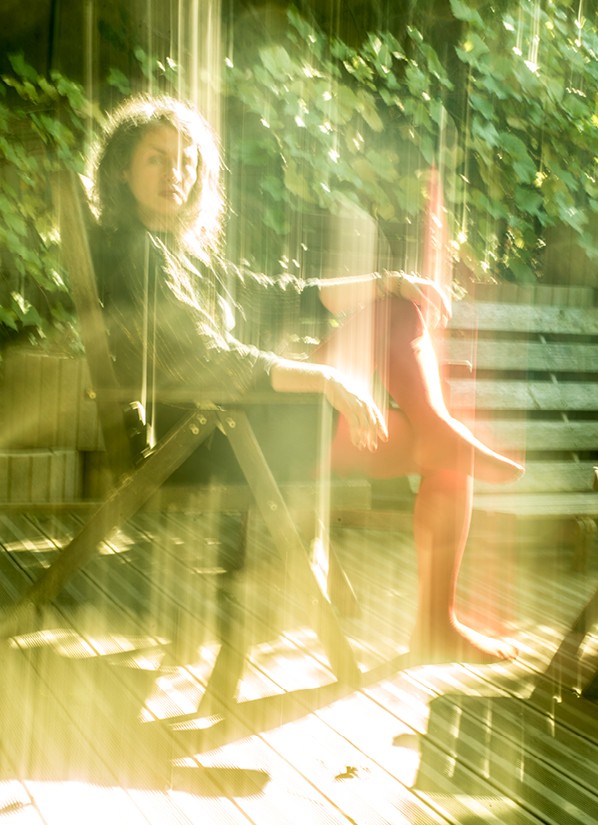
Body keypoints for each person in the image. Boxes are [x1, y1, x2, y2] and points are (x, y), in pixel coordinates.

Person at [90, 93, 523, 666]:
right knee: (434, 424)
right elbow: (208, 358)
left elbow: (285, 296)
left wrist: (388, 280)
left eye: (187, 160)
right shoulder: (137, 256)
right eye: (157, 158)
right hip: (212, 440)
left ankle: (437, 613)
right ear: (122, 168)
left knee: (410, 350)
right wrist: (325, 380)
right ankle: (435, 607)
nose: (176, 172)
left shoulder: (183, 255)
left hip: (239, 426)